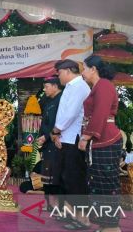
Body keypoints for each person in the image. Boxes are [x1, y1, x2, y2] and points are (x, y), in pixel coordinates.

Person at [78, 55, 122, 232]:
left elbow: (100, 113)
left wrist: (86, 136)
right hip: (100, 141)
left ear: (93, 69)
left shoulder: (104, 85)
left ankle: (113, 227)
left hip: (106, 140)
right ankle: (105, 225)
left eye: (84, 68)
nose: (82, 72)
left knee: (107, 183)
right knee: (98, 183)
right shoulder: (98, 87)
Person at [50, 59, 91, 230]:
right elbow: (64, 113)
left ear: (67, 71)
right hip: (65, 138)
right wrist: (57, 134)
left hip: (74, 140)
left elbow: (71, 114)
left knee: (75, 181)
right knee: (67, 179)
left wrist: (56, 131)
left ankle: (84, 220)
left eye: (59, 73)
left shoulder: (80, 86)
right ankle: (74, 216)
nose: (58, 77)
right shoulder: (70, 87)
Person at [36, 76, 63, 211]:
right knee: (46, 174)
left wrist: (46, 137)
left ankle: (56, 204)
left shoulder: (62, 99)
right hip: (47, 143)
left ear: (55, 86)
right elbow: (45, 122)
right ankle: (49, 203)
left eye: (46, 87)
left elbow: (58, 124)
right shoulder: (48, 101)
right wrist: (41, 136)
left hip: (56, 142)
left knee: (55, 174)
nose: (44, 89)